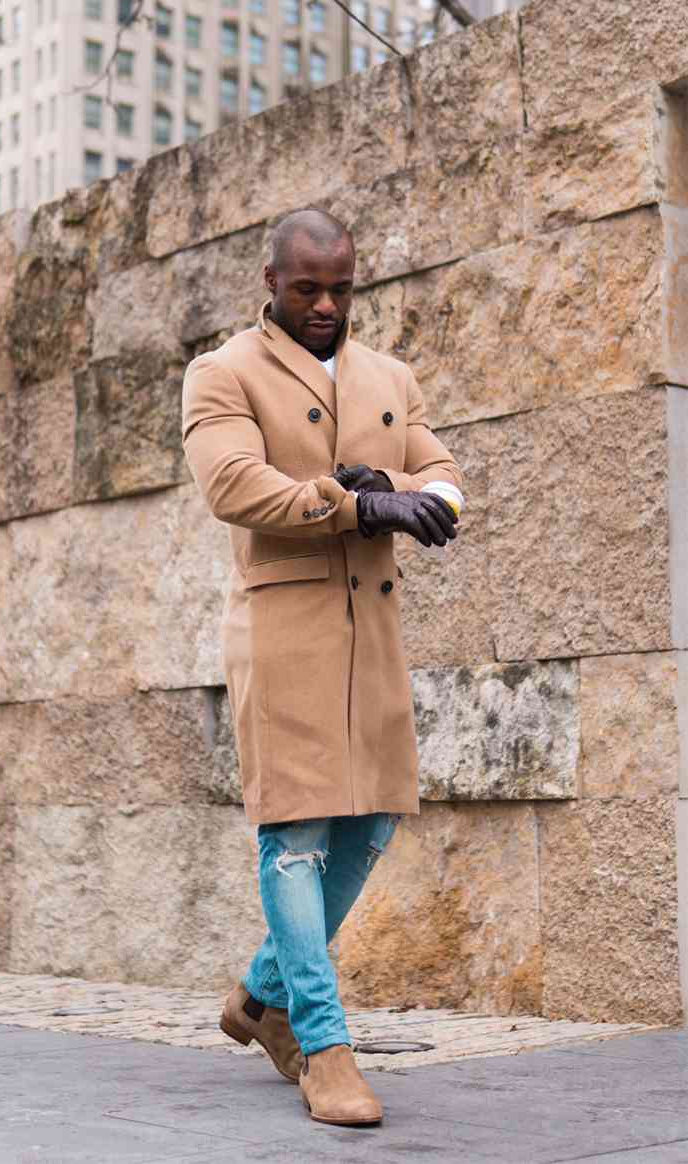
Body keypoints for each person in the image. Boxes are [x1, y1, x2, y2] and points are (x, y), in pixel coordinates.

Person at [181, 208, 464, 1127]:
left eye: (341, 289)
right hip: (285, 630)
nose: (327, 306)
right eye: (307, 289)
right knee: (295, 835)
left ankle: (258, 999)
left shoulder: (390, 376)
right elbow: (233, 484)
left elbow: (441, 470)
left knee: (373, 822)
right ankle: (323, 1044)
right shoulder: (224, 372)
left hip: (371, 633)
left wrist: (414, 494)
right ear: (272, 281)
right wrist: (356, 506)